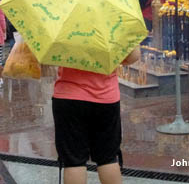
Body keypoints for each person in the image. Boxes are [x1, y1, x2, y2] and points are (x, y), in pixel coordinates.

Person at [53, 46, 140, 184]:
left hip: (69, 96)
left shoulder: (63, 23)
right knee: (108, 158)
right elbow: (133, 56)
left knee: (73, 161)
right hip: (105, 97)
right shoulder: (115, 23)